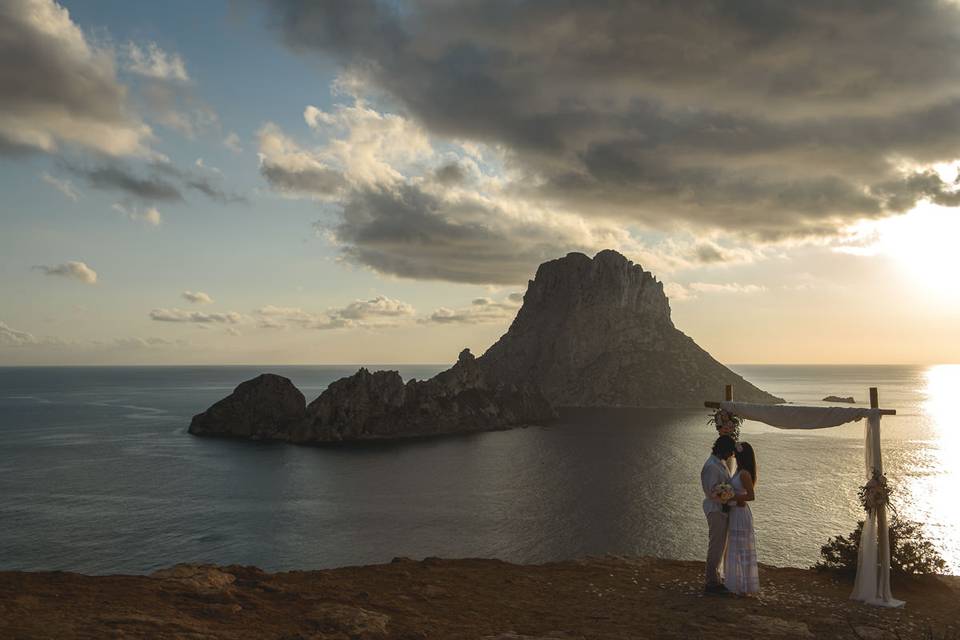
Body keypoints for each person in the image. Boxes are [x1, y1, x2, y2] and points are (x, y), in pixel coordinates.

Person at [701, 435, 737, 594]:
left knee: (721, 545)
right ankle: (711, 583)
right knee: (716, 545)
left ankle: (716, 578)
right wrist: (727, 497)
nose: (731, 455)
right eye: (730, 452)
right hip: (716, 510)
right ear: (723, 450)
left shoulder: (719, 463)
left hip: (721, 509)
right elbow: (712, 490)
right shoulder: (711, 466)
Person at [724, 441, 760, 596]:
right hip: (735, 512)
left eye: (736, 455)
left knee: (741, 547)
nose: (734, 456)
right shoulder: (739, 471)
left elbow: (751, 496)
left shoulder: (744, 473)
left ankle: (743, 586)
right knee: (734, 546)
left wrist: (732, 496)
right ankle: (736, 583)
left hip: (740, 512)